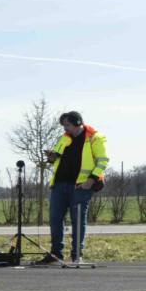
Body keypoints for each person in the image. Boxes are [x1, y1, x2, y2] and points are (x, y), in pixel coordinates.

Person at [34, 110, 108, 265]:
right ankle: (56, 254)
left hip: (81, 186)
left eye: (67, 125)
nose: (64, 128)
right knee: (55, 219)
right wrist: (51, 158)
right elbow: (57, 160)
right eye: (63, 125)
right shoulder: (63, 138)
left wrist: (91, 180)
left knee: (78, 220)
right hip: (59, 184)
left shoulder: (95, 138)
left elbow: (103, 161)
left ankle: (76, 254)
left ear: (77, 123)